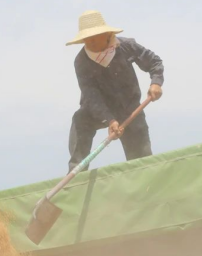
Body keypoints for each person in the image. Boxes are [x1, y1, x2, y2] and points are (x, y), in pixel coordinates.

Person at [66, 10, 164, 172]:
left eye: (94, 36)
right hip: (97, 110)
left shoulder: (126, 47)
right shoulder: (81, 61)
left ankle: (143, 178)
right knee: (80, 119)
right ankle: (76, 172)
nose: (90, 42)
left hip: (129, 108)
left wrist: (156, 82)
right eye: (86, 38)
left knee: (140, 159)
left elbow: (154, 62)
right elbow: (91, 95)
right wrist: (110, 120)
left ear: (107, 34)